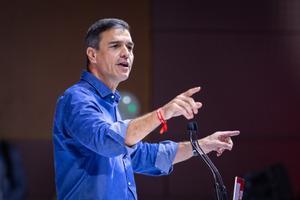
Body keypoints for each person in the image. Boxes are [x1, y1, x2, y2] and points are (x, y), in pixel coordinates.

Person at [52, 18, 240, 200]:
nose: (126, 53)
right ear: (92, 54)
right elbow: (107, 141)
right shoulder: (76, 100)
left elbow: (144, 156)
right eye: (115, 46)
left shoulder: (110, 106)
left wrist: (203, 144)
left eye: (130, 47)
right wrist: (162, 113)